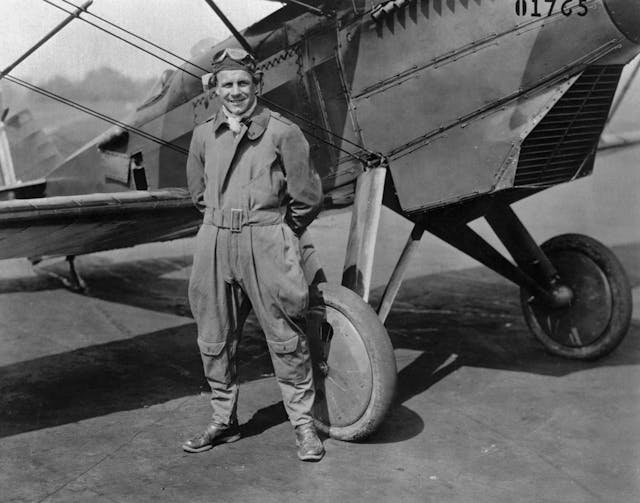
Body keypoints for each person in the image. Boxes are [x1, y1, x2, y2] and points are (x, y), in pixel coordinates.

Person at [183, 48, 325, 461]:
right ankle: (223, 421)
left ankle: (303, 425)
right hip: (213, 242)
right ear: (216, 90)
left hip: (265, 241)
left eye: (243, 83)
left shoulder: (283, 132)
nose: (235, 91)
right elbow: (197, 194)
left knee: (285, 335)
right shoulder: (202, 135)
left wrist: (277, 233)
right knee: (214, 335)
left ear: (257, 86)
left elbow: (307, 197)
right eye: (227, 84)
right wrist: (221, 226)